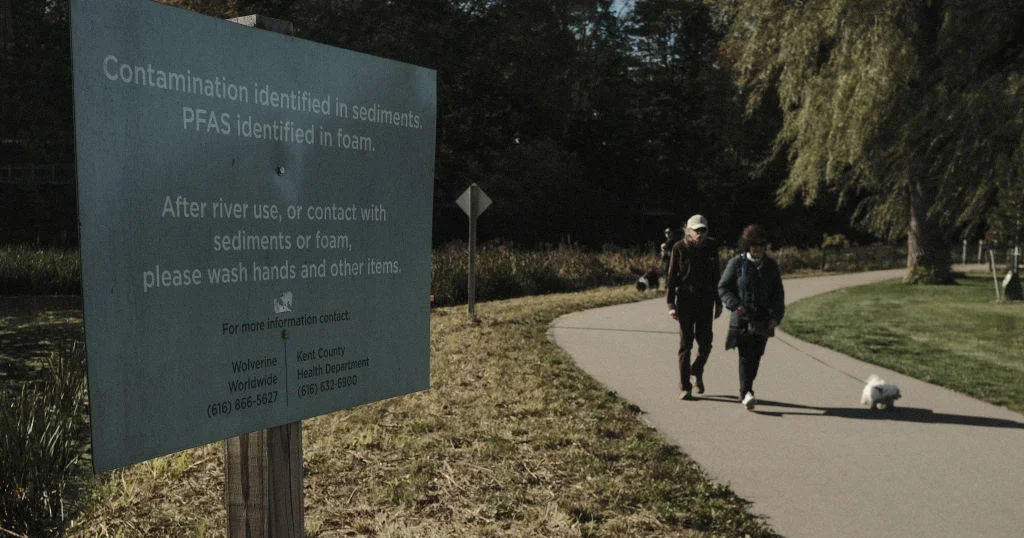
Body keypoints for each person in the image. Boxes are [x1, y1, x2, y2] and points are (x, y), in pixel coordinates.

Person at [717, 224, 785, 411]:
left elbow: (778, 295)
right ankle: (746, 392)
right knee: (745, 355)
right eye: (754, 245)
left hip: (763, 319)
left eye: (761, 245)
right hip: (742, 318)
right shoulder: (737, 264)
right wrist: (735, 305)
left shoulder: (771, 266)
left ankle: (747, 389)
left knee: (756, 356)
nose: (758, 249)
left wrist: (776, 316)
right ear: (747, 245)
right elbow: (723, 288)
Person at [666, 214, 723, 400]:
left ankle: (697, 369)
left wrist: (719, 302)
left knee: (706, 343)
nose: (700, 234)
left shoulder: (711, 247)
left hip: (706, 300)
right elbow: (671, 277)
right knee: (686, 344)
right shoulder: (679, 247)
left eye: (703, 230)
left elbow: (716, 277)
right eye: (696, 230)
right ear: (688, 231)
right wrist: (670, 304)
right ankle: (685, 386)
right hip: (686, 300)